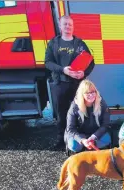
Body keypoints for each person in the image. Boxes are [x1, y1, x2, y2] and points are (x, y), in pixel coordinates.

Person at [45, 15, 95, 148]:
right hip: (60, 84)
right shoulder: (54, 43)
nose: (68, 26)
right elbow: (48, 63)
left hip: (77, 85)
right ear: (60, 26)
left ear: (73, 27)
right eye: (65, 24)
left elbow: (91, 61)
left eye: (70, 25)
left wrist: (84, 72)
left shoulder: (80, 43)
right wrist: (63, 70)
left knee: (81, 111)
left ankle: (81, 139)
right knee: (62, 113)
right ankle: (61, 140)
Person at [64, 80, 111, 154]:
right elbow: (70, 129)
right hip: (79, 134)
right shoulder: (74, 107)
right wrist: (82, 140)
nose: (91, 95)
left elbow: (105, 125)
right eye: (87, 93)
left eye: (93, 92)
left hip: (95, 133)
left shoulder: (102, 103)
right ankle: (85, 147)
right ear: (81, 94)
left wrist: (93, 137)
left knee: (107, 139)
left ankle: (91, 147)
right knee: (74, 145)